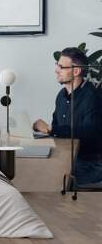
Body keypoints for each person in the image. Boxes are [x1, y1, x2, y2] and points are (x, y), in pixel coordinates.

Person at [33, 47, 102, 185]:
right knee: (33, 165)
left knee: (43, 175)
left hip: (90, 164)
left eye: (61, 67)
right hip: (67, 157)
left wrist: (51, 129)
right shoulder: (61, 96)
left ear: (76, 71)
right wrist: (42, 130)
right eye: (57, 65)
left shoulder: (92, 97)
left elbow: (89, 131)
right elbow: (57, 129)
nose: (56, 70)